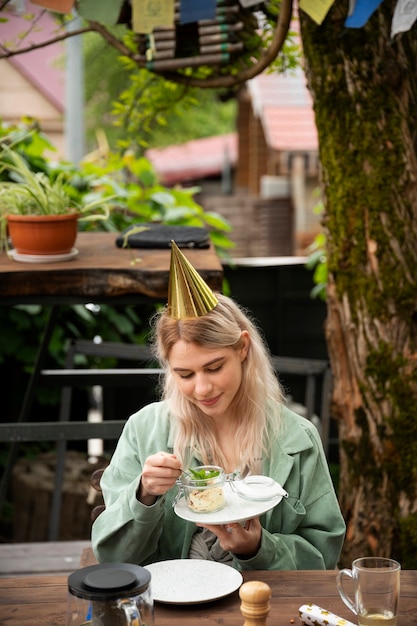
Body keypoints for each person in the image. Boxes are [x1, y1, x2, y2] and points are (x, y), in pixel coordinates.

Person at [91, 242, 345, 570]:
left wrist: (258, 547)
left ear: (241, 348)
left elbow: (324, 554)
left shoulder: (296, 439)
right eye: (184, 374)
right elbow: (113, 558)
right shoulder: (145, 430)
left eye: (214, 368)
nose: (202, 388)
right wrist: (144, 495)